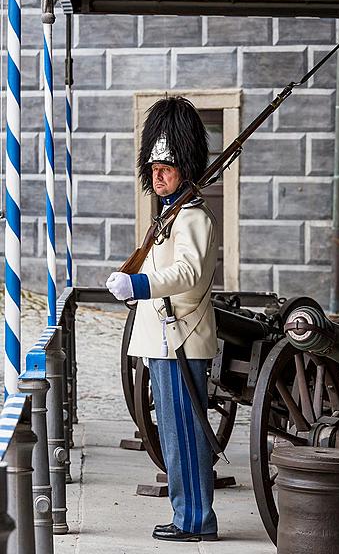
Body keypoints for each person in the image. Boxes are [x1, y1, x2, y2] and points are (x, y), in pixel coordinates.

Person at [106, 96, 219, 542]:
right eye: (154, 169)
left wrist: (140, 286)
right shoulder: (170, 214)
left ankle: (195, 520)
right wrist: (136, 288)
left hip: (182, 338)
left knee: (185, 439)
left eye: (166, 168)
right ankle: (187, 513)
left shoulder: (191, 216)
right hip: (167, 339)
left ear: (184, 169)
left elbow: (188, 273)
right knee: (174, 439)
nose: (158, 175)